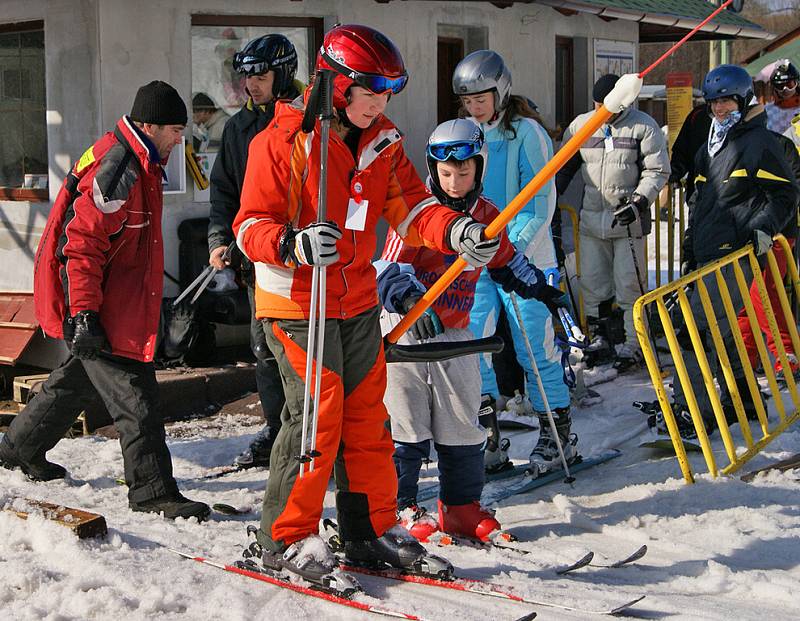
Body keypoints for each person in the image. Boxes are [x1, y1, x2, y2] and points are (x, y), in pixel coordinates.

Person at [232, 25, 501, 591]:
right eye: (370, 90)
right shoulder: (282, 143)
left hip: (354, 297)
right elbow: (248, 226)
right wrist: (292, 243)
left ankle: (367, 530)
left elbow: (411, 208)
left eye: (387, 92)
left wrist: (456, 231)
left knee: (365, 416)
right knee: (315, 413)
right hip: (295, 300)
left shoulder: (383, 142)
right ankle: (283, 537)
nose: (380, 103)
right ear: (336, 85)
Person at [0, 81, 210, 521]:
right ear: (149, 125)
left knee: (75, 381)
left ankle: (20, 450)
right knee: (137, 399)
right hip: (99, 307)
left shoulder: (142, 158)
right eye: (174, 129)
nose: (180, 138)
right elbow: (81, 246)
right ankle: (152, 492)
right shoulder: (119, 167)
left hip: (112, 302)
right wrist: (84, 314)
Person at [377, 119, 569, 542]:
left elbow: (508, 262)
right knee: (407, 421)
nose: (455, 181)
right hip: (406, 331)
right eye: (446, 173)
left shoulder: (487, 217)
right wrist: (410, 299)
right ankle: (398, 505)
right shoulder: (419, 211)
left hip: (455, 331)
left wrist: (540, 288)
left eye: (464, 172)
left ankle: (461, 507)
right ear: (433, 169)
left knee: (462, 420)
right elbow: (389, 267)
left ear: (479, 168)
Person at [453, 50, 576, 475]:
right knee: (472, 344)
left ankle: (556, 431)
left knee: (533, 349)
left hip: (525, 260)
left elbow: (540, 203)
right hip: (478, 258)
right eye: (467, 101)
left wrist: (512, 249)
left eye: (481, 98)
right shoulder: (467, 133)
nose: (474, 107)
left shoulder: (527, 133)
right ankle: (486, 435)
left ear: (500, 89)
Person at [660, 65, 798, 439]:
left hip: (736, 254)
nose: (720, 110)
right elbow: (704, 200)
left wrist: (764, 227)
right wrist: (690, 245)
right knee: (722, 331)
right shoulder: (712, 144)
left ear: (743, 101)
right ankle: (749, 400)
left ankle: (694, 412)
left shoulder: (759, 143)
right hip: (708, 252)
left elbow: (785, 194)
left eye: (727, 102)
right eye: (714, 104)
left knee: (689, 328)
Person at [207, 34, 302, 470]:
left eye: (260, 76)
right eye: (246, 77)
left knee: (304, 348)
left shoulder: (313, 118)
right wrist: (218, 239)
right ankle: (276, 427)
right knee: (264, 346)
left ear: (283, 73)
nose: (251, 86)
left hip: (306, 257)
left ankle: (313, 428)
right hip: (255, 258)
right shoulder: (238, 127)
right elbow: (223, 192)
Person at [556, 73, 670, 372]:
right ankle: (601, 338)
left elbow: (657, 171)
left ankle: (634, 343)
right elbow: (564, 167)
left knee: (629, 286)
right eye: (597, 106)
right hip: (592, 219)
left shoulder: (643, 126)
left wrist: (640, 200)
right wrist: (550, 196)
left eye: (607, 106)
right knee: (593, 284)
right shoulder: (582, 125)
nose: (602, 112)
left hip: (628, 222)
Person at [735, 129, 800, 379]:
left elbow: (790, 189)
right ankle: (746, 360)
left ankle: (786, 355)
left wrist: (766, 221)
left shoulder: (780, 144)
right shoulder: (731, 145)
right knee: (742, 299)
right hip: (741, 234)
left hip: (776, 233)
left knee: (762, 293)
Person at [669, 103, 711, 201]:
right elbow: (681, 149)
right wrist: (674, 174)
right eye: (715, 102)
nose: (719, 107)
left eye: (725, 100)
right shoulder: (698, 115)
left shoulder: (741, 117)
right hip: (698, 190)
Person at [764, 59, 800, 134]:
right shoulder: (768, 112)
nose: (785, 89)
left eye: (789, 85)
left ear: (796, 82)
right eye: (780, 86)